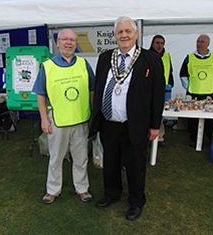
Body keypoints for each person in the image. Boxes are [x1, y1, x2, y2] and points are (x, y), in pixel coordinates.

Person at [89, 16, 165, 221]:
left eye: (127, 31)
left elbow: (158, 95)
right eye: (120, 32)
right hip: (108, 123)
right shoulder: (106, 57)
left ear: (136, 34)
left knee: (135, 166)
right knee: (111, 162)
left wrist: (155, 125)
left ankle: (136, 201)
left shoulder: (150, 59)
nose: (123, 35)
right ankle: (112, 193)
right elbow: (99, 87)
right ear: (115, 35)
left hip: (135, 125)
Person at [33, 29, 95, 204]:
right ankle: (53, 190)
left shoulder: (84, 64)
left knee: (81, 158)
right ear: (58, 43)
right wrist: (44, 119)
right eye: (65, 39)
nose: (69, 43)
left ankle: (82, 189)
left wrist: (92, 114)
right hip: (58, 121)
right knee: (56, 158)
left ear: (76, 44)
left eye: (72, 40)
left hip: (81, 120)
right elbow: (40, 94)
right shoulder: (47, 66)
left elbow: (92, 90)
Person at [179, 34, 213, 147]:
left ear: (208, 44)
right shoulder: (189, 57)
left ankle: (209, 138)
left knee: (210, 118)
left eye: (202, 42)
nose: (199, 44)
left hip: (209, 94)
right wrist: (188, 87)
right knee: (193, 119)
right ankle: (194, 138)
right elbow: (183, 74)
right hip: (193, 93)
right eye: (198, 41)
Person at [149, 35, 174, 146]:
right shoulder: (147, 55)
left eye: (162, 43)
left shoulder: (167, 56)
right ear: (152, 44)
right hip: (150, 89)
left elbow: (170, 70)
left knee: (160, 113)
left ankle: (160, 137)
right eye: (157, 43)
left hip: (164, 90)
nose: (159, 45)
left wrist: (170, 84)